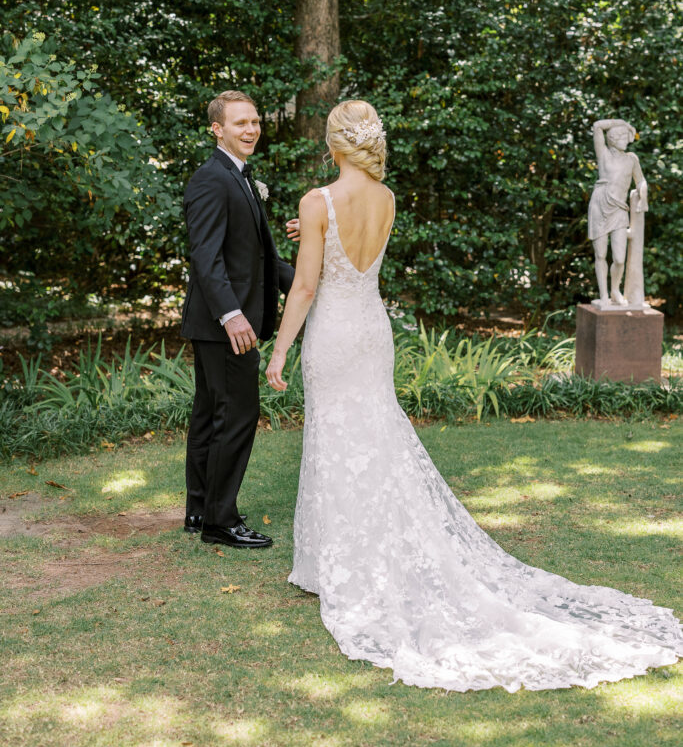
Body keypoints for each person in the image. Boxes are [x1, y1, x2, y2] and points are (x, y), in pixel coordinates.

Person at [265, 99, 682, 692]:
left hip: (333, 333)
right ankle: (350, 559)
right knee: (373, 434)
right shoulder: (385, 200)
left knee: (336, 435)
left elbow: (306, 284)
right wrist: (311, 229)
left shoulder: (316, 202)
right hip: (371, 331)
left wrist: (278, 351)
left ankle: (343, 568)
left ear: (333, 144)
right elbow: (349, 256)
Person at [181, 90, 294, 549]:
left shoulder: (240, 177)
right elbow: (206, 259)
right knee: (237, 416)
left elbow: (259, 260)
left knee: (210, 416)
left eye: (254, 122)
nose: (250, 130)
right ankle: (220, 521)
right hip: (225, 325)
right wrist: (232, 316)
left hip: (219, 323)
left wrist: (309, 283)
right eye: (240, 123)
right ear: (217, 129)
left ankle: (199, 509)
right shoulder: (212, 179)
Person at [588, 119, 648, 306]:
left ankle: (615, 289)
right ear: (612, 139)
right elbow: (598, 126)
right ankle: (604, 295)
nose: (625, 139)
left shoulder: (631, 159)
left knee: (619, 258)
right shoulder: (603, 154)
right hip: (600, 205)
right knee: (600, 254)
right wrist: (621, 122)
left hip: (620, 208)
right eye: (620, 136)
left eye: (625, 135)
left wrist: (643, 196)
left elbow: (641, 181)